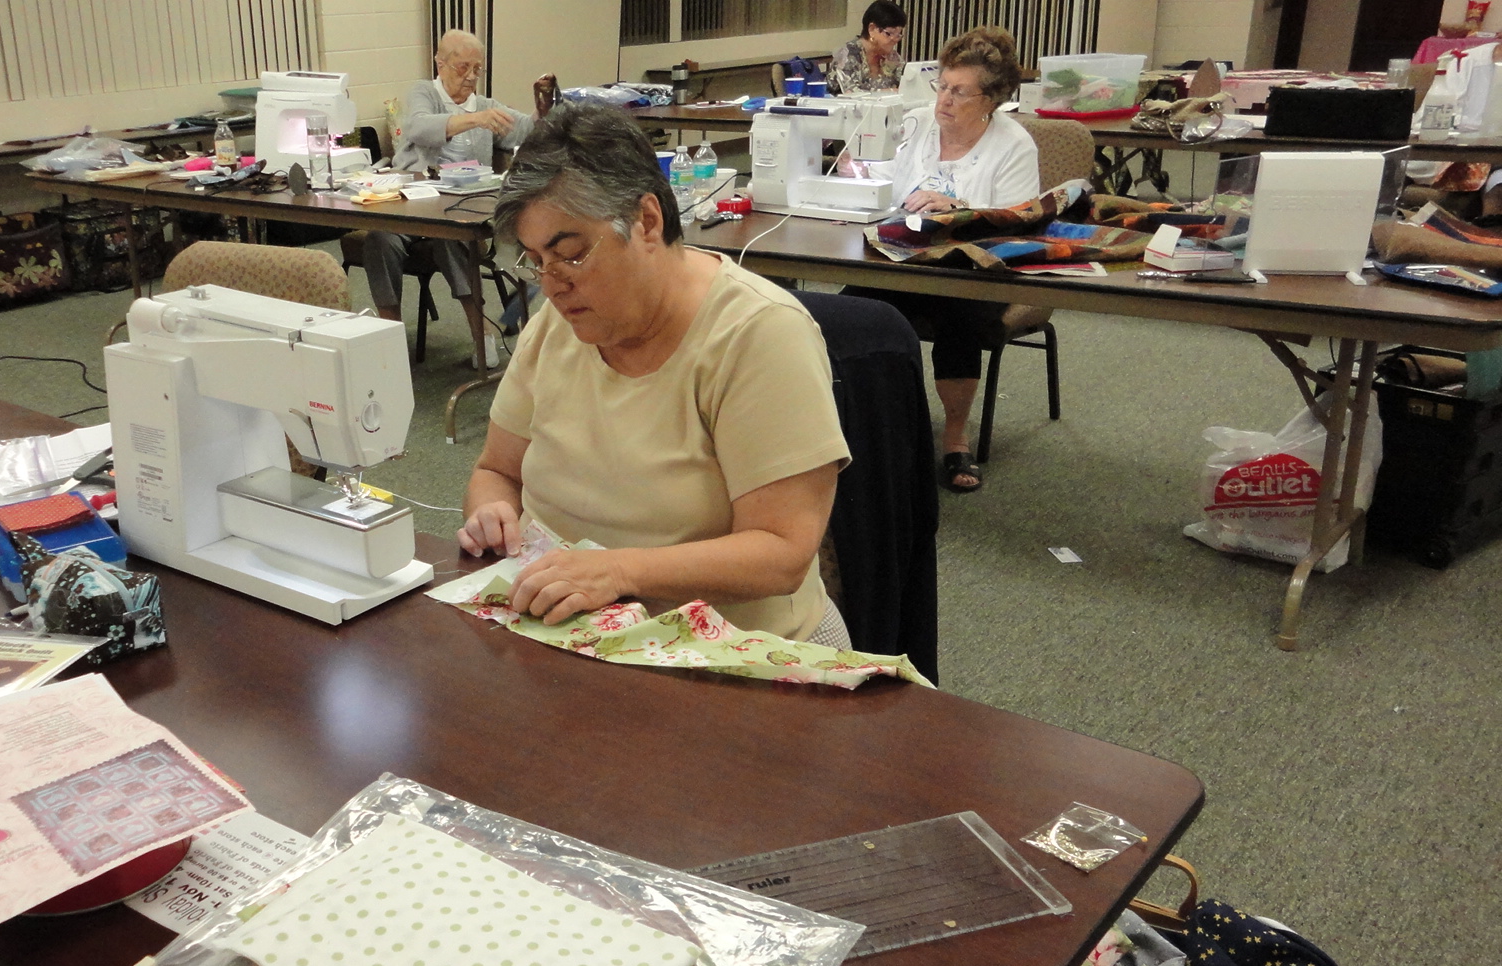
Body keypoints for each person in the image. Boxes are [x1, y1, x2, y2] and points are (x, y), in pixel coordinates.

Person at [456, 103, 853, 646]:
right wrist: (492, 512)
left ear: (646, 220)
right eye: (535, 261)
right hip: (574, 633)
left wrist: (618, 571)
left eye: (570, 254)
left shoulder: (758, 335)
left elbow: (780, 553)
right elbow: (497, 470)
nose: (551, 284)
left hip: (728, 650)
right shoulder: (558, 324)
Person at [840, 25, 1036, 493]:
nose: (943, 100)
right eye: (941, 86)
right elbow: (889, 174)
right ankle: (865, 426)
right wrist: (855, 169)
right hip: (903, 262)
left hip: (976, 271)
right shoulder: (918, 124)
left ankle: (954, 438)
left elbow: (1019, 224)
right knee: (848, 311)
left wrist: (957, 210)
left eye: (959, 92)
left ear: (991, 100)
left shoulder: (1014, 145)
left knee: (958, 317)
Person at [366, 30, 546, 354]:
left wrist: (542, 112)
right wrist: (475, 119)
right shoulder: (424, 92)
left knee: (451, 237)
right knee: (380, 239)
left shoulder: (486, 106)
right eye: (464, 67)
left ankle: (482, 335)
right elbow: (420, 128)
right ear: (441, 64)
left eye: (477, 69)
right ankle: (388, 338)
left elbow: (526, 130)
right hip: (411, 205)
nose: (472, 76)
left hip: (460, 209)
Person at [829, 0, 907, 95]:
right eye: (889, 33)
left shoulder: (891, 56)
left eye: (898, 35)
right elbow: (852, 93)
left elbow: (907, 82)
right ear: (872, 29)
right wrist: (890, 92)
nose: (895, 39)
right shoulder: (847, 55)